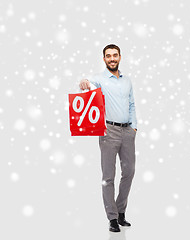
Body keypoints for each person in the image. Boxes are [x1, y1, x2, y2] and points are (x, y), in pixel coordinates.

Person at [79, 44, 137, 232]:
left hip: (127, 131)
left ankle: (121, 212)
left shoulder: (127, 81)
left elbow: (132, 104)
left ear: (120, 57)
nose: (112, 58)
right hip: (108, 131)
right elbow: (88, 85)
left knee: (129, 172)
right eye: (108, 56)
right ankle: (112, 218)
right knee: (108, 176)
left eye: (115, 55)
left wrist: (134, 126)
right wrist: (84, 82)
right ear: (104, 59)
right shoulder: (99, 79)